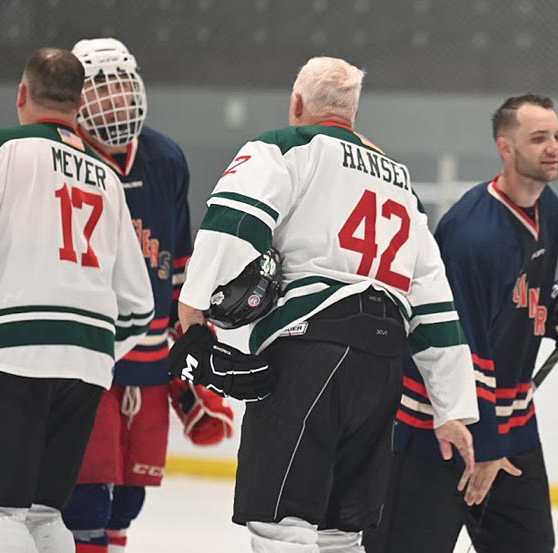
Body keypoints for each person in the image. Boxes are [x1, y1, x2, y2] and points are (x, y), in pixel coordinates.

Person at [168, 56, 478, 553]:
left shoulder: (286, 146)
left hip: (309, 353)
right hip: (381, 368)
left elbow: (234, 220)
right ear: (353, 113)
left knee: (281, 528)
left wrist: (193, 315)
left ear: (297, 103)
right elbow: (433, 301)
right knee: (340, 536)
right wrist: (452, 407)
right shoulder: (401, 183)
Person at [363, 94, 558, 553]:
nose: (553, 148)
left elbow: (526, 301)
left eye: (557, 137)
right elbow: (463, 346)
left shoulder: (549, 209)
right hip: (439, 429)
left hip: (511, 424)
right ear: (505, 147)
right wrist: (486, 445)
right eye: (538, 139)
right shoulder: (475, 236)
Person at [0, 48, 154, 553]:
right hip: (83, 371)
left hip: (11, 360)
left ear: (22, 94)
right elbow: (138, 305)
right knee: (42, 515)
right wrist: (89, 349)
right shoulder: (107, 178)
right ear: (80, 104)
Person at [58, 38, 234, 553]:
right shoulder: (63, 155)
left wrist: (195, 365)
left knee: (129, 497)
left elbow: (180, 264)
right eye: (102, 90)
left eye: (121, 88)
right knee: (86, 488)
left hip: (149, 350)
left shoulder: (164, 158)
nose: (114, 102)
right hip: (85, 347)